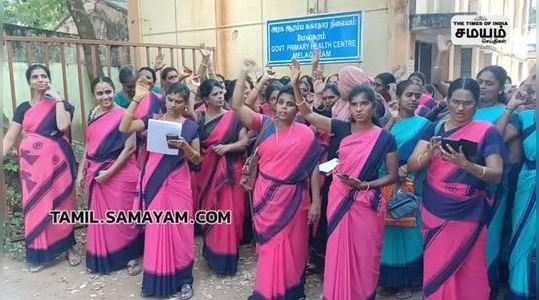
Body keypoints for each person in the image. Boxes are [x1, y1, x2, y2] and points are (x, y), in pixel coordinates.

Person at [293, 60, 399, 299]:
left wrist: (366, 185)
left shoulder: (385, 138)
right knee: (338, 251)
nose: (359, 109)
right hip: (340, 199)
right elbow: (307, 114)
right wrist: (296, 85)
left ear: (373, 106)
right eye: (354, 105)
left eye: (364, 104)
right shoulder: (340, 128)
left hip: (367, 203)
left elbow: (392, 176)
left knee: (366, 254)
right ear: (348, 107)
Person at [231, 59, 322, 300]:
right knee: (270, 248)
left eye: (290, 104)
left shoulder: (306, 133)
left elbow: (312, 167)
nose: (283, 108)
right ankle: (267, 291)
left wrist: (316, 201)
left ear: (297, 108)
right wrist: (243, 73)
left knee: (293, 247)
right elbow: (237, 105)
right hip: (266, 197)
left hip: (295, 199)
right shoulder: (264, 125)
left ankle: (291, 291)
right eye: (280, 103)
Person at [408, 78, 505, 300]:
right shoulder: (435, 129)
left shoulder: (487, 132)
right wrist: (429, 154)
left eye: (467, 103)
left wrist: (466, 165)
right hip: (435, 208)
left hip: (468, 212)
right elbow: (413, 165)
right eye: (455, 102)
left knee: (469, 268)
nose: (460, 108)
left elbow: (496, 174)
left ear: (477, 104)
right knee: (437, 267)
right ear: (447, 101)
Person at [119, 79, 201, 299]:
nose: (173, 105)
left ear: (185, 104)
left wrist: (184, 145)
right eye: (170, 100)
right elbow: (124, 127)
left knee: (180, 231)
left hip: (178, 183)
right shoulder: (153, 120)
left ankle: (184, 280)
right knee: (156, 231)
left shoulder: (190, 126)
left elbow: (197, 159)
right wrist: (137, 98)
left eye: (178, 101)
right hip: (154, 182)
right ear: (165, 99)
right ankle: (155, 280)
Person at [2, 64, 80, 272]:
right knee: (37, 207)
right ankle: (38, 254)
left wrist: (58, 99)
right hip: (33, 168)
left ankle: (68, 247)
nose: (40, 79)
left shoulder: (59, 103)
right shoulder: (23, 108)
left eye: (44, 76)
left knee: (63, 204)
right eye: (35, 76)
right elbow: (10, 137)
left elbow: (63, 126)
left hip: (58, 163)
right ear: (29, 81)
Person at [77, 77, 143, 275]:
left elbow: (130, 147)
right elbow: (89, 145)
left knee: (124, 218)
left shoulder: (125, 114)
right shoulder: (93, 114)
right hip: (97, 172)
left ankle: (131, 256)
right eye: (100, 93)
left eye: (108, 92)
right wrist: (81, 171)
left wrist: (110, 172)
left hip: (120, 172)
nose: (105, 96)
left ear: (114, 91)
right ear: (94, 95)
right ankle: (106, 255)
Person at [379, 80, 432, 297]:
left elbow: (422, 156)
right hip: (384, 182)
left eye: (417, 96)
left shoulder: (425, 125)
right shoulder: (387, 122)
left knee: (408, 230)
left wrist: (404, 169)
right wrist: (390, 122)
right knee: (387, 232)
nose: (413, 99)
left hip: (409, 182)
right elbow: (376, 144)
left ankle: (410, 281)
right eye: (408, 95)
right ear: (398, 97)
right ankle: (389, 279)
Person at [192, 79, 249, 275]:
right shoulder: (197, 117)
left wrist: (227, 148)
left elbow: (244, 142)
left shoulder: (233, 117)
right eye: (215, 94)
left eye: (221, 92)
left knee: (228, 214)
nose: (220, 96)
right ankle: (211, 254)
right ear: (206, 98)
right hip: (205, 172)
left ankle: (227, 260)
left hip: (229, 173)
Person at [475, 65, 520, 292]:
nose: (483, 86)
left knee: (489, 234)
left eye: (489, 83)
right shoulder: (466, 110)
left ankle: (485, 285)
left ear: (501, 88)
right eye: (480, 81)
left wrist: (509, 110)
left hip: (494, 185)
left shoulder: (511, 114)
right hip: (466, 184)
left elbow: (496, 139)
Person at [500, 73, 536, 299]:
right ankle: (520, 290)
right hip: (529, 185)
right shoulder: (527, 118)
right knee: (523, 241)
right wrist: (511, 108)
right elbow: (495, 138)